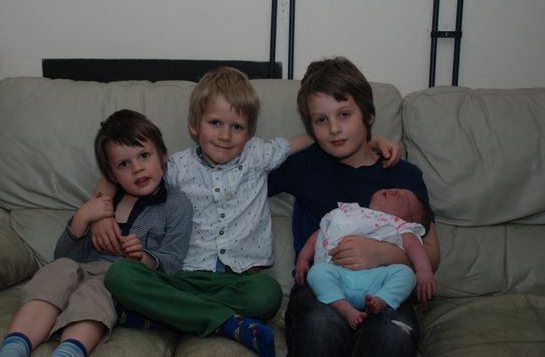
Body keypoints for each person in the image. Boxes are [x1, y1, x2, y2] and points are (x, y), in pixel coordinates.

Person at [91, 67, 401, 357]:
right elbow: (120, 172)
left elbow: (319, 139)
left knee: (268, 294)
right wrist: (102, 213)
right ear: (194, 125)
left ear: (250, 133)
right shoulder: (177, 167)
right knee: (120, 274)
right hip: (182, 277)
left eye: (236, 127)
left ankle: (168, 315)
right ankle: (224, 322)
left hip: (237, 283)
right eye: (215, 123)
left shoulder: (258, 155)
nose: (225, 135)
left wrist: (369, 139)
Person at [268, 56, 440, 357]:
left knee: (392, 336)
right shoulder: (305, 166)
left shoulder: (403, 176)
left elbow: (432, 255)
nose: (334, 129)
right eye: (321, 120)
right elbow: (242, 175)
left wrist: (384, 254)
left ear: (369, 115)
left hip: (384, 289)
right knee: (319, 329)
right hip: (321, 291)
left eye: (345, 115)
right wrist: (324, 138)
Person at [0, 110, 193, 357]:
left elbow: (173, 262)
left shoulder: (177, 205)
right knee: (58, 270)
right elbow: (64, 256)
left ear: (163, 156)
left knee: (97, 290)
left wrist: (143, 258)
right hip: (81, 267)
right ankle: (13, 348)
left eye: (144, 155)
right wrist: (81, 219)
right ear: (111, 174)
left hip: (117, 281)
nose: (137, 168)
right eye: (124, 164)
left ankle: (68, 352)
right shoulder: (104, 200)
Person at [295, 188, 436, 329]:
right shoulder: (347, 212)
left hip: (375, 281)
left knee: (406, 274)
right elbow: (321, 232)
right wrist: (303, 258)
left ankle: (381, 300)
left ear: (409, 220)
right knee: (317, 271)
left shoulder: (398, 224)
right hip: (338, 276)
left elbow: (413, 245)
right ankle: (343, 307)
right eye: (394, 190)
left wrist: (423, 270)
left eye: (402, 199)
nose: (394, 191)